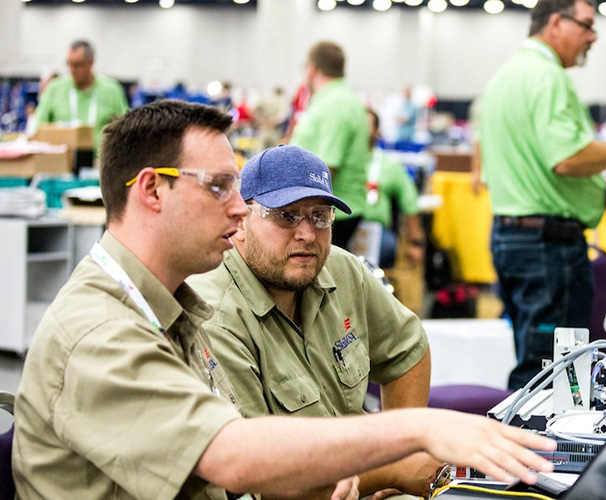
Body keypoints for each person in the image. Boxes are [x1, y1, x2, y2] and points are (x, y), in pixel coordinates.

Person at [12, 100, 555, 500]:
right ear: (152, 190)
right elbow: (235, 458)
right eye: (220, 187)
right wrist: (414, 436)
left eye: (319, 217)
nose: (236, 210)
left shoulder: (166, 305)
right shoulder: (101, 331)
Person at [188, 143, 435, 497]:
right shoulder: (216, 318)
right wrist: (391, 470)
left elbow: (408, 350)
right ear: (240, 221)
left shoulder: (340, 268)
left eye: (320, 216)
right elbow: (263, 477)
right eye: (286, 215)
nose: (307, 234)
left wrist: (400, 453)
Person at [478, 0, 606, 390]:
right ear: (557, 23)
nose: (592, 36)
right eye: (587, 25)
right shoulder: (548, 78)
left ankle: (525, 444)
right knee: (551, 374)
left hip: (514, 237)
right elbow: (567, 157)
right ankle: (534, 450)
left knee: (537, 361)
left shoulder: (504, 78)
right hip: (547, 246)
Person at [290, 41, 369, 250]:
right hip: (321, 209)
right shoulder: (335, 99)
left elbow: (327, 166)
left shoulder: (336, 104)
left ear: (312, 68)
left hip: (328, 212)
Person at [33, 40, 129, 154]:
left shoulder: (112, 90)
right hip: (62, 163)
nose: (72, 70)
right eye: (69, 64)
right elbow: (38, 128)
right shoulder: (54, 89)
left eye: (78, 65)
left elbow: (125, 131)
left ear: (91, 62)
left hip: (98, 163)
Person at [361, 108, 425, 268]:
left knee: (386, 246)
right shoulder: (339, 163)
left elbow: (410, 203)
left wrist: (416, 243)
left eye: (366, 125)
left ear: (377, 131)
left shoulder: (389, 165)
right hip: (340, 226)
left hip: (374, 229)